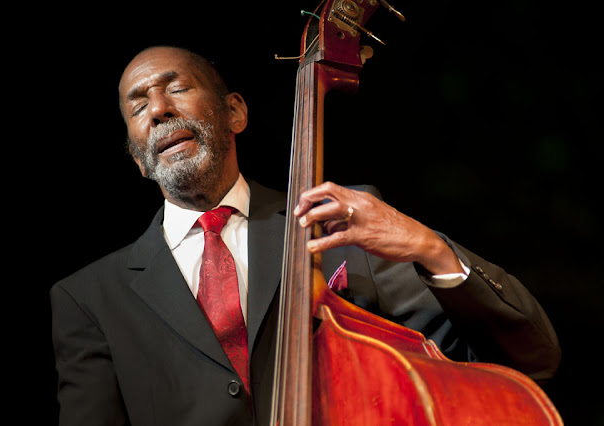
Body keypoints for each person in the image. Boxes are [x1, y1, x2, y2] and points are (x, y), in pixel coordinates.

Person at [51, 45, 561, 426]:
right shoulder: (89, 298)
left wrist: (429, 246)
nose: (158, 109)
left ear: (235, 113)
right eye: (138, 106)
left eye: (176, 87)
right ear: (139, 161)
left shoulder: (342, 223)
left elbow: (528, 361)